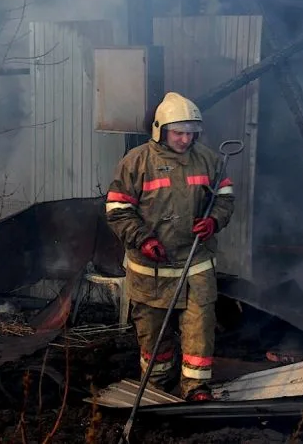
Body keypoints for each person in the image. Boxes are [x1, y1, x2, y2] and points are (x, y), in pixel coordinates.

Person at [104, 92, 235, 401]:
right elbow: (117, 210)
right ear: (160, 129)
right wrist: (143, 239)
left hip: (195, 265)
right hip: (150, 270)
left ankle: (196, 388)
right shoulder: (136, 162)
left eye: (191, 133)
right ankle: (157, 383)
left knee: (199, 327)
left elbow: (225, 198)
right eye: (179, 132)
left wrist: (214, 220)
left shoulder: (209, 160)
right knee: (152, 333)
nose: (186, 139)